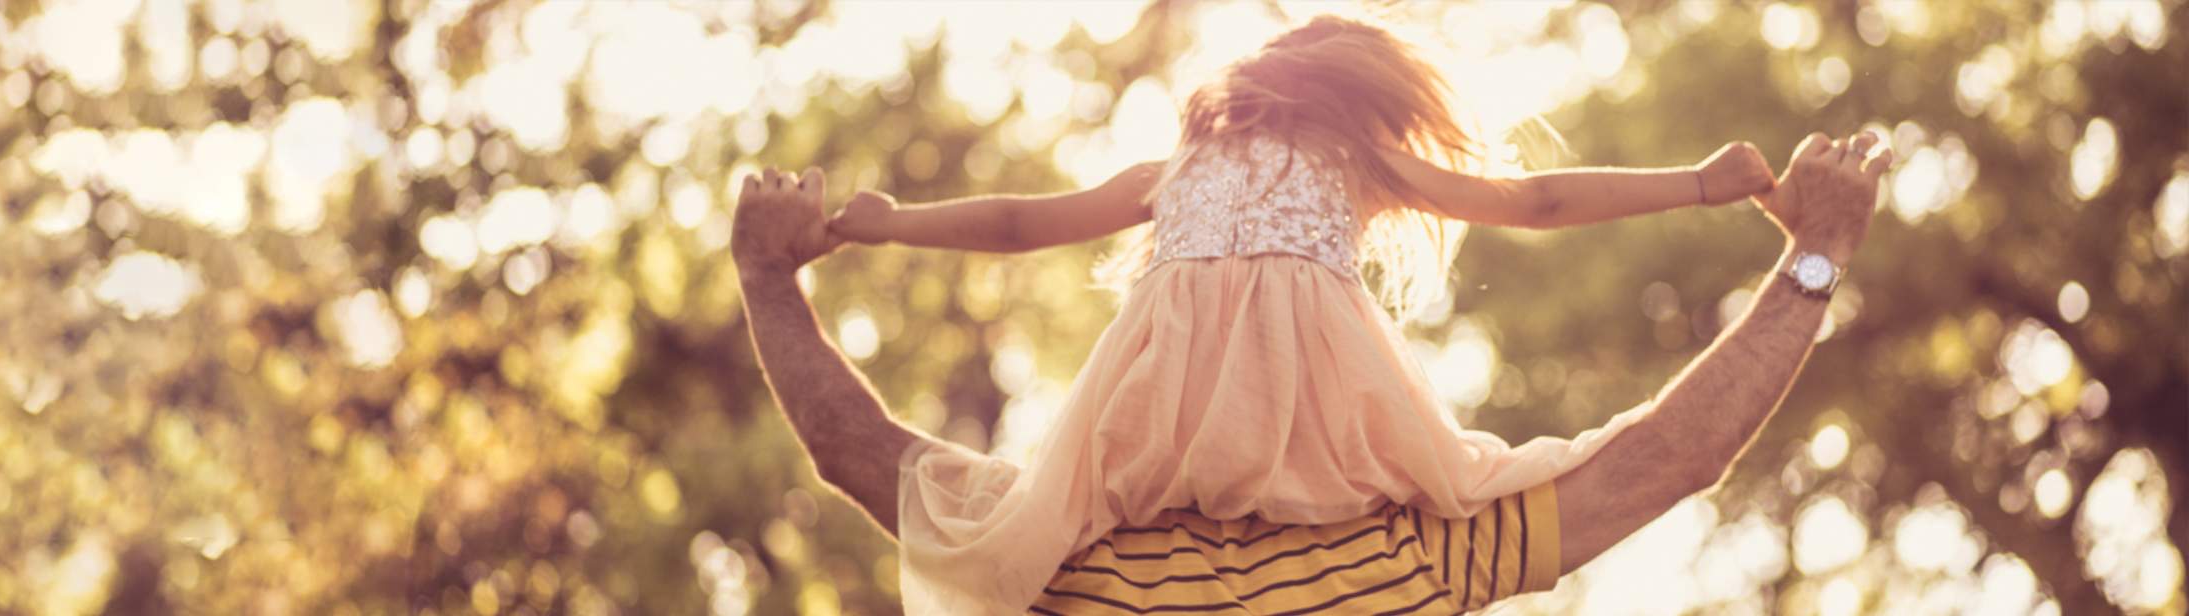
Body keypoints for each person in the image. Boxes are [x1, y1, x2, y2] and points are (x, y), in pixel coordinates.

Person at [732, 23, 1890, 616]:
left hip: (1311, 418)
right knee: (1049, 493)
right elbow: (1025, 220)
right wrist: (889, 224)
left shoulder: (1351, 156)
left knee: (1023, 505)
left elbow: (1530, 200)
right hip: (1155, 424)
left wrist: (1694, 182)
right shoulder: (1173, 170)